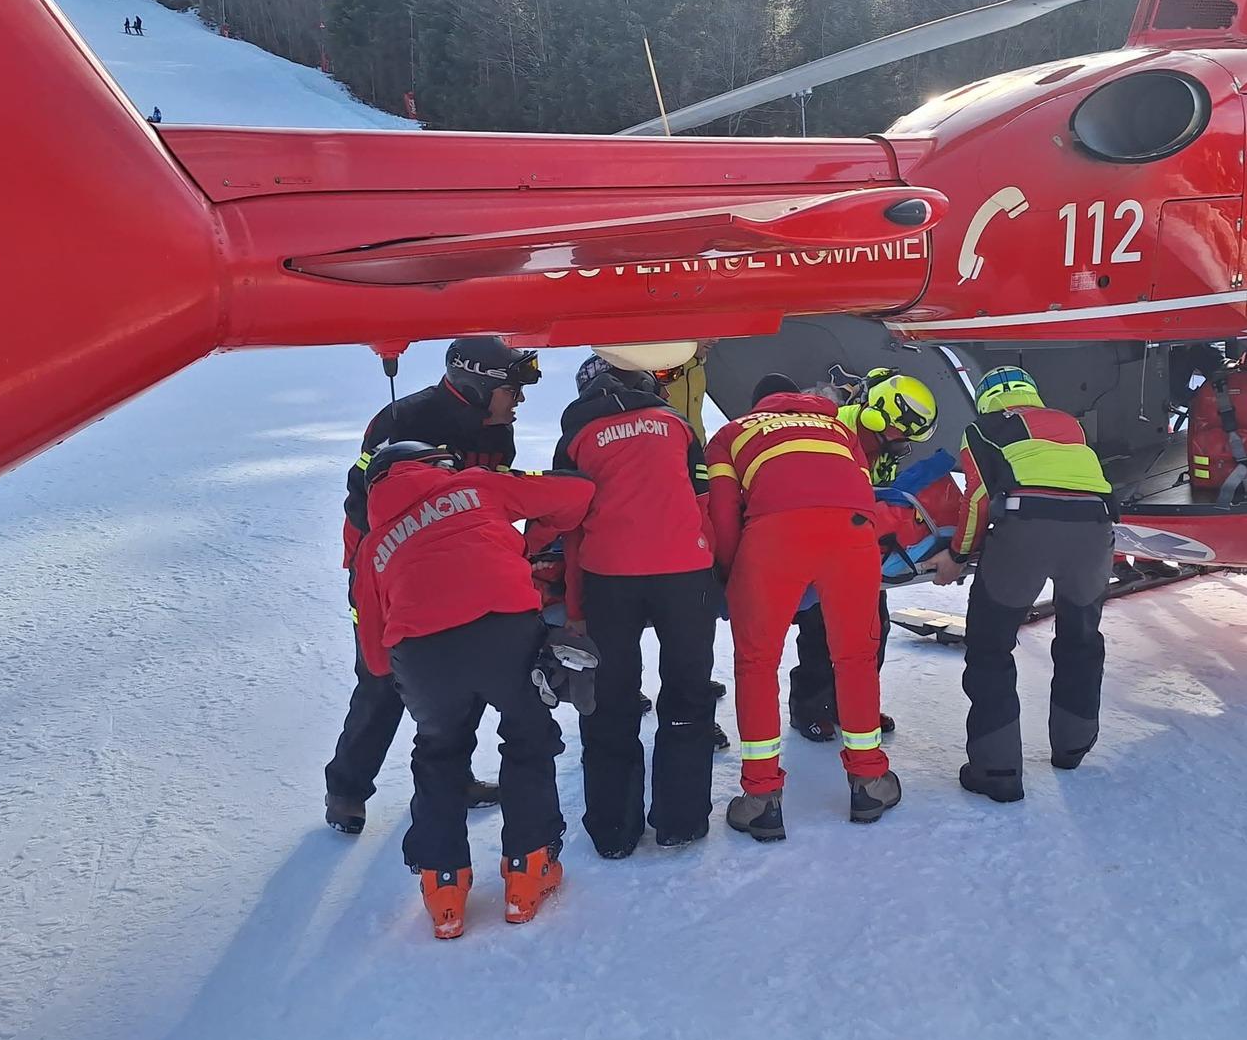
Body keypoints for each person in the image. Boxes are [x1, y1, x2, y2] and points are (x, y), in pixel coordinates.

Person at [350, 440, 593, 938]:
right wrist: (522, 541)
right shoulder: (474, 486)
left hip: (420, 655)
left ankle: (444, 892)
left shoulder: (372, 547)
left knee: (439, 755)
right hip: (504, 626)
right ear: (438, 465)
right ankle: (529, 873)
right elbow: (576, 494)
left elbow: (375, 657)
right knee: (528, 738)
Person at [324, 336, 542, 835]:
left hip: (458, 570)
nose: (520, 402)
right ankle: (346, 790)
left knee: (461, 668)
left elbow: (495, 494)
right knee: (382, 679)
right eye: (512, 391)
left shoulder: (496, 429)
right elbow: (363, 505)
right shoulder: (401, 421)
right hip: (384, 570)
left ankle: (455, 776)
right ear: (478, 385)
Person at [707, 372, 901, 841]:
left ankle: (761, 799)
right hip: (853, 536)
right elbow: (860, 493)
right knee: (855, 659)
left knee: (756, 664)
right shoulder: (840, 431)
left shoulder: (731, 435)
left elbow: (724, 513)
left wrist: (736, 576)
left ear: (756, 407)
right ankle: (870, 782)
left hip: (773, 537)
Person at [551, 355, 720, 857]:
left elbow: (571, 530)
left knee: (609, 702)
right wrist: (714, 574)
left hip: (610, 578)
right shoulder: (679, 427)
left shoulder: (576, 438)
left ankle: (612, 830)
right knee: (688, 696)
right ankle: (682, 821)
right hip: (686, 575)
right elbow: (705, 506)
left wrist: (575, 607)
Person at [927, 366, 1114, 804]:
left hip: (1026, 526)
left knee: (991, 647)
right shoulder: (1070, 424)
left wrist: (956, 557)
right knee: (1081, 639)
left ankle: (997, 771)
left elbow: (976, 497)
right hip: (1094, 527)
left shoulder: (982, 428)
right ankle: (1072, 746)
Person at [789, 368, 940, 741]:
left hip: (861, 545)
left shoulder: (880, 442)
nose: (903, 445)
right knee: (821, 629)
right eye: (900, 436)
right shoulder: (831, 432)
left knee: (875, 628)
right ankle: (809, 707)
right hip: (820, 544)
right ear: (877, 418)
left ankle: (853, 704)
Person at [652, 339, 717, 443]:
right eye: (706, 330)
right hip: (665, 450)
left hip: (694, 451)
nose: (715, 339)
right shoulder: (655, 364)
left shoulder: (697, 363)